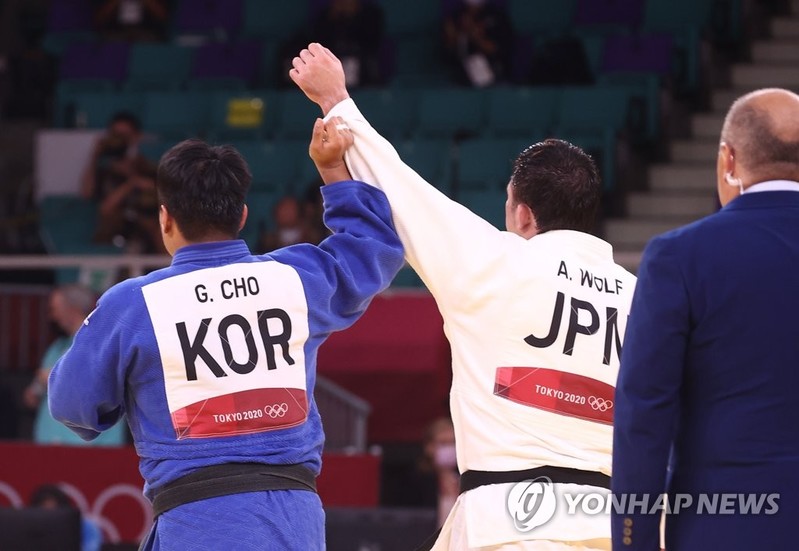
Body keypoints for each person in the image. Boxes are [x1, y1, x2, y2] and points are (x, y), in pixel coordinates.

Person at [291, 43, 636, 550]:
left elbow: (404, 191)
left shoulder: (499, 263)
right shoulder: (644, 300)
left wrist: (335, 100)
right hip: (616, 526)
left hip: (511, 529)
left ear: (521, 215)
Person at [48, 119, 404, 550]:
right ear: (242, 216)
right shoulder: (293, 278)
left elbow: (72, 405)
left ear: (165, 219)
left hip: (197, 523)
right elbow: (374, 248)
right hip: (295, 522)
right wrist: (331, 168)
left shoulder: (132, 305)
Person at [611, 88, 799, 551]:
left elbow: (643, 416)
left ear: (728, 160)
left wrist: (631, 542)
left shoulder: (679, 257)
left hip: (725, 528)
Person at [23, 284, 126, 446]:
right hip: (49, 446)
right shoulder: (57, 347)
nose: (52, 316)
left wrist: (56, 378)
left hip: (94, 449)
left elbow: (108, 384)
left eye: (55, 308)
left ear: (72, 308)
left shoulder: (105, 343)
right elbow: (31, 397)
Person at [80, 111, 163, 254]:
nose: (121, 140)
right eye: (116, 135)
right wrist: (95, 155)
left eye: (126, 136)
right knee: (108, 212)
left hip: (146, 225)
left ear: (136, 137)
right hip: (113, 227)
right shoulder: (104, 170)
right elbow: (87, 193)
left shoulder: (148, 167)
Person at [442, 0, 514, 87]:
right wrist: (453, 37)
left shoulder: (497, 16)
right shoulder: (456, 16)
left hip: (491, 69)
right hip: (461, 71)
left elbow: (495, 49)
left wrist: (473, 34)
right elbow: (449, 50)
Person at [29, 484, 103, 551]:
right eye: (45, 512)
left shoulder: (87, 527)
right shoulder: (28, 529)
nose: (50, 517)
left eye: (54, 511)